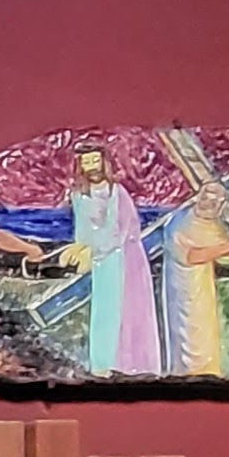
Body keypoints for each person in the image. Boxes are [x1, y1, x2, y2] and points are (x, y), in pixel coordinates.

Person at [63, 146, 162, 379]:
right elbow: (82, 230)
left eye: (95, 161)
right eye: (87, 162)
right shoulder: (79, 196)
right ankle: (102, 363)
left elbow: (125, 228)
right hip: (100, 259)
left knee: (130, 308)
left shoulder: (117, 193)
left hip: (126, 257)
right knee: (104, 310)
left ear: (103, 163)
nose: (92, 167)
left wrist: (101, 247)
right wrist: (82, 250)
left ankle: (134, 364)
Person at [163, 173, 229, 377]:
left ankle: (207, 371)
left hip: (203, 286)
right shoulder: (180, 222)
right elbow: (190, 256)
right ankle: (187, 372)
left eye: (215, 201)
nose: (208, 203)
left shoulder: (212, 222)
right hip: (183, 288)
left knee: (205, 331)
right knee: (187, 332)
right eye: (206, 197)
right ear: (198, 196)